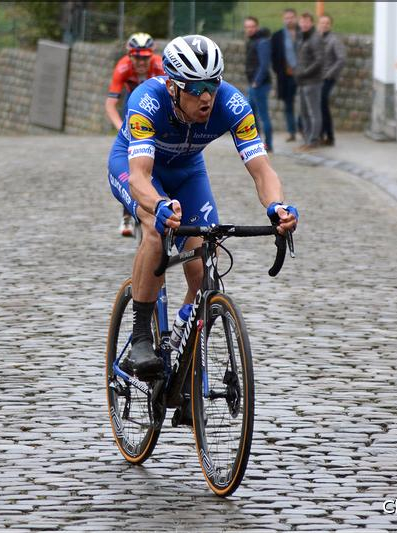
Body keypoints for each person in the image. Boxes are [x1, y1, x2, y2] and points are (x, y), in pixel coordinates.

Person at [106, 35, 298, 382]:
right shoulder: (146, 101)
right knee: (154, 227)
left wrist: (277, 206)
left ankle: (181, 343)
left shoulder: (233, 104)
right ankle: (140, 336)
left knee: (204, 268)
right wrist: (159, 205)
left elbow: (262, 169)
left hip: (188, 173)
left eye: (212, 83)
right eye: (195, 88)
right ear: (173, 86)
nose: (206, 96)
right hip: (137, 170)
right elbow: (140, 176)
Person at [105, 32, 165, 237]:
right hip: (133, 106)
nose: (141, 62)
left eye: (145, 57)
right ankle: (127, 215)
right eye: (137, 57)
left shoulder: (159, 66)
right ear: (129, 56)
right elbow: (111, 104)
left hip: (157, 105)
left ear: (152, 56)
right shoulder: (122, 67)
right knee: (133, 164)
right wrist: (122, 128)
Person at [293, 12, 324, 152]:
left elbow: (319, 60)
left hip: (312, 82)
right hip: (302, 82)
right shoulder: (301, 37)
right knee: (304, 113)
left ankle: (313, 140)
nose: (304, 24)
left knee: (313, 112)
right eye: (302, 22)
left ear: (311, 23)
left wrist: (304, 72)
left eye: (307, 22)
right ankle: (307, 140)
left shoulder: (315, 38)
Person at [244, 16, 273, 153]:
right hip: (253, 84)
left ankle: (269, 144)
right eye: (247, 27)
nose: (249, 29)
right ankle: (257, 143)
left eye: (252, 26)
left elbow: (264, 64)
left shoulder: (262, 42)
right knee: (251, 114)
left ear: (257, 27)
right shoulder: (252, 41)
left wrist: (257, 81)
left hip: (259, 85)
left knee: (263, 115)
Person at [271, 9, 299, 142]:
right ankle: (291, 131)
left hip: (304, 75)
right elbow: (274, 57)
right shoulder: (278, 36)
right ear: (283, 19)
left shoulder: (303, 33)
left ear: (296, 18)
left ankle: (303, 129)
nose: (289, 20)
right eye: (287, 18)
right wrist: (279, 71)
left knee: (305, 104)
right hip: (286, 76)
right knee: (288, 105)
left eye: (291, 17)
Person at [317, 14, 345, 146]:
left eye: (327, 23)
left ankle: (329, 135)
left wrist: (329, 74)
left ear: (330, 25)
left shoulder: (334, 40)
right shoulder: (317, 39)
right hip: (316, 78)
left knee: (322, 105)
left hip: (328, 78)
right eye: (322, 23)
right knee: (319, 106)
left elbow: (341, 59)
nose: (324, 25)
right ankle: (321, 134)